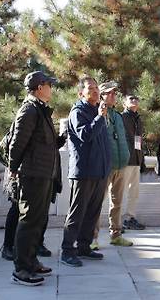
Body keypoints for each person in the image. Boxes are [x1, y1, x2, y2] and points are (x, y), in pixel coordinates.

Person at [8, 71, 64, 286]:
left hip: (43, 174)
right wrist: (14, 169)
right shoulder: (29, 110)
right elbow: (17, 143)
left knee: (37, 220)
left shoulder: (41, 110)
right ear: (40, 87)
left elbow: (41, 144)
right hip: (32, 174)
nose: (52, 88)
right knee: (29, 220)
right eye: (50, 84)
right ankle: (21, 268)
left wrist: (60, 140)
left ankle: (31, 261)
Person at [61, 76, 111, 267]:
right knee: (77, 212)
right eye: (90, 88)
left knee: (92, 212)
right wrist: (99, 117)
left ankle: (84, 246)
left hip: (100, 171)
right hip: (83, 171)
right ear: (81, 92)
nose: (96, 91)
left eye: (97, 88)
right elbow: (86, 135)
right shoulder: (78, 111)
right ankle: (67, 250)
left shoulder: (98, 111)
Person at [93, 81, 134, 247]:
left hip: (121, 164)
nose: (113, 95)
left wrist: (127, 157)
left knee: (117, 202)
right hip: (105, 165)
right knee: (97, 202)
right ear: (101, 95)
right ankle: (92, 238)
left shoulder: (117, 115)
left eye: (114, 93)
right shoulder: (98, 113)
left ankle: (115, 234)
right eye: (109, 93)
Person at [121, 94, 146, 231]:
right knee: (119, 192)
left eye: (137, 98)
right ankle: (116, 222)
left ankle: (130, 218)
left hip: (135, 160)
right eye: (131, 98)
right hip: (124, 160)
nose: (134, 100)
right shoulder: (122, 117)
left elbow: (138, 140)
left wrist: (141, 159)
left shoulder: (138, 119)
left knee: (133, 192)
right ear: (124, 103)